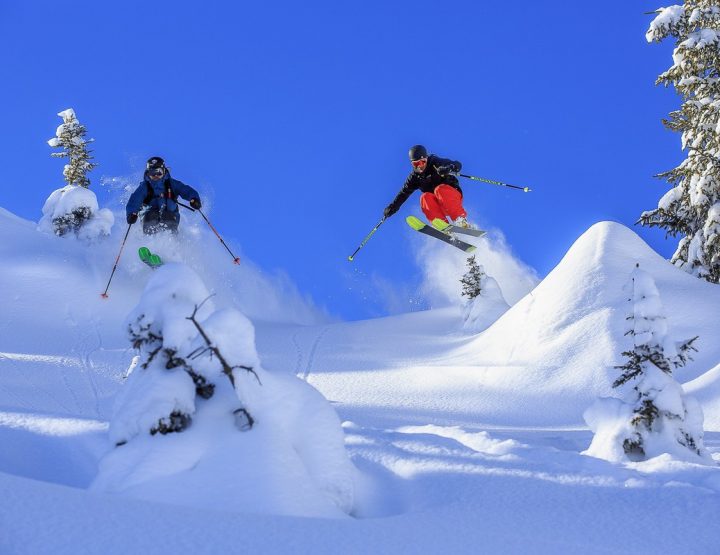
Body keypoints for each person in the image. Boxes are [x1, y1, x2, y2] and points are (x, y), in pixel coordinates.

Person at [383, 144, 470, 227]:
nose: (420, 166)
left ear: (426, 158)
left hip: (452, 197)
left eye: (423, 162)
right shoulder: (414, 177)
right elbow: (403, 193)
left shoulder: (435, 162)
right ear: (412, 164)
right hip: (438, 205)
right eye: (416, 164)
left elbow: (457, 164)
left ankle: (461, 220)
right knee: (424, 197)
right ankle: (442, 225)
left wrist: (448, 168)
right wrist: (392, 208)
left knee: (439, 189)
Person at [126, 157, 201, 234]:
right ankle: (149, 240)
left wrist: (194, 199)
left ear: (164, 171)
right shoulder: (145, 187)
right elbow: (135, 200)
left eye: (159, 172)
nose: (156, 176)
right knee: (152, 216)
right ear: (148, 173)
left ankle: (172, 240)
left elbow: (185, 190)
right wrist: (132, 214)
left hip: (170, 216)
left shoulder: (171, 184)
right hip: (149, 216)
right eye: (152, 173)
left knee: (168, 216)